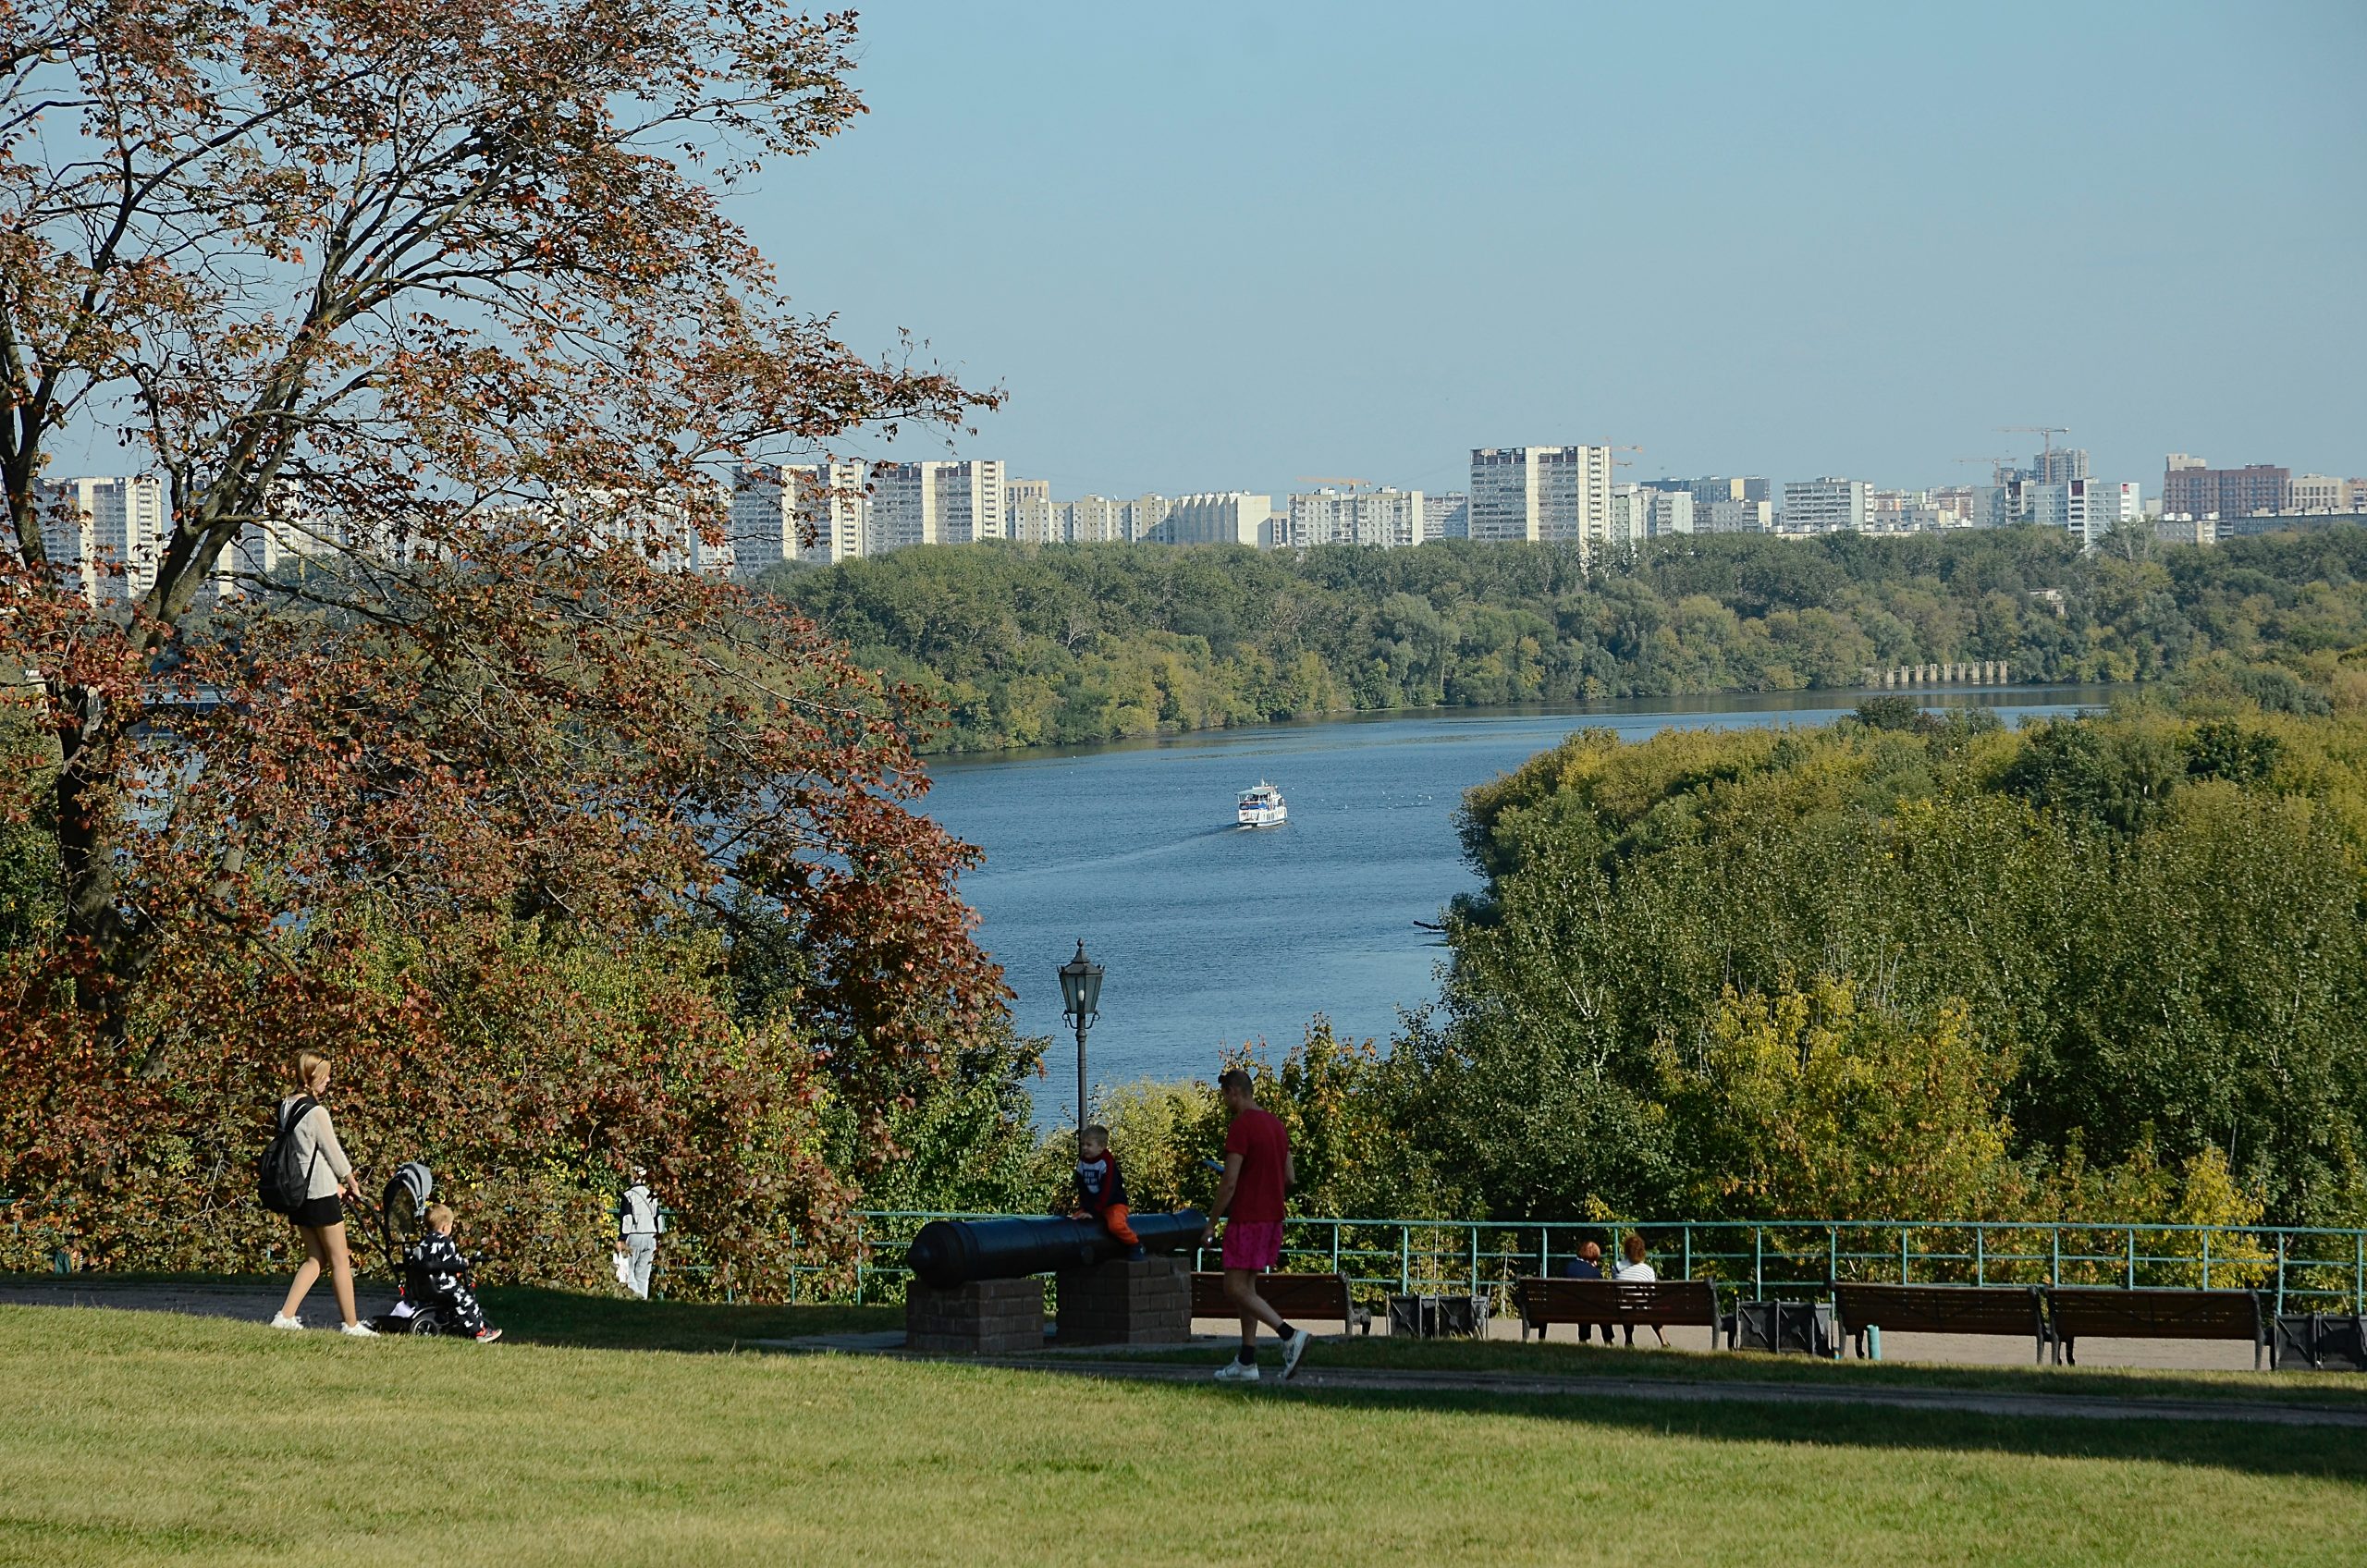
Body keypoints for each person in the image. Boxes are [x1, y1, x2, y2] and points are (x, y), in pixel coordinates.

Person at [1199, 1069, 1309, 1383]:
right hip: (1273, 1217)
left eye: (1225, 1095)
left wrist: (1211, 1224)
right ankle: (1247, 1361)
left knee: (1233, 1287)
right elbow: (1290, 1178)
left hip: (1246, 1217)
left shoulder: (1241, 1126)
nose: (1224, 1101)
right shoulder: (1276, 1125)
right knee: (1248, 1289)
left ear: (1234, 1092)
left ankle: (1290, 1335)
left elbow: (1229, 1182)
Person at [269, 1051, 376, 1336]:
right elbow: (332, 1152)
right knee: (341, 1259)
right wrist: (351, 1182)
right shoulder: (316, 1111)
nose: (329, 1079)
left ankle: (285, 1315)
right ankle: (351, 1325)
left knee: (315, 1258)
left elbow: (304, 1152)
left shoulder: (286, 1106)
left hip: (298, 1193)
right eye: (325, 1075)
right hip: (319, 1194)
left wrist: (336, 1185)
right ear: (311, 1077)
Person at [408, 1203, 501, 1342]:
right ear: (445, 1226)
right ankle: (480, 1331)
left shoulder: (424, 1242)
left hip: (427, 1284)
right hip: (444, 1283)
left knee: (456, 1300)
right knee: (467, 1301)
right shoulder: (445, 1242)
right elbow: (452, 1262)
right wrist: (464, 1263)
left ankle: (445, 1319)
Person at [1071, 1125, 1145, 1260]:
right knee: (1073, 1222)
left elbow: (1108, 1190)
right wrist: (1085, 1208)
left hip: (1113, 1204)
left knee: (1115, 1225)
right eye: (1083, 1144)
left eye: (1089, 1145)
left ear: (1101, 1147)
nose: (1085, 1148)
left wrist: (1094, 1211)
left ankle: (1135, 1244)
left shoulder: (1106, 1163)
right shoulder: (1082, 1163)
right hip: (1094, 1206)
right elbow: (1081, 1187)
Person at [616, 1165, 661, 1301]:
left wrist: (621, 1238)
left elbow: (628, 1219)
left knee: (629, 1273)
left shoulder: (628, 1195)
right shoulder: (651, 1194)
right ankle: (643, 1301)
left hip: (634, 1236)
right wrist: (659, 1237)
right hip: (651, 1236)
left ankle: (637, 1299)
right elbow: (658, 1218)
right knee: (643, 1275)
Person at [1613, 1232, 1667, 1348]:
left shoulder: (1617, 1267)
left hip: (1624, 1308)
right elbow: (1652, 1292)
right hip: (1644, 1309)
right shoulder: (1648, 1270)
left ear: (1626, 1250)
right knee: (1648, 1305)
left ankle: (1628, 1340)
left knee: (1627, 1303)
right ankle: (1664, 1341)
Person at [1558, 1239, 1610, 1343]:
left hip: (1567, 1308)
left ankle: (1583, 1338)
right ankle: (1607, 1339)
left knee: (1583, 1302)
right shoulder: (1595, 1273)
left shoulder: (1569, 1267)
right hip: (1589, 1308)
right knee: (1598, 1305)